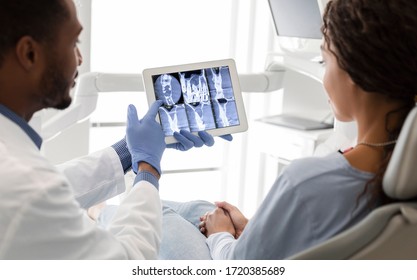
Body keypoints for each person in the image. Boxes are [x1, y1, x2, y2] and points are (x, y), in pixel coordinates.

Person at [156, 0, 417, 259]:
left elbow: (239, 268)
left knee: (158, 213)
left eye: (325, 61)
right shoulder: (402, 182)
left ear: (353, 72)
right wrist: (253, 230)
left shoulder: (306, 182)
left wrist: (219, 235)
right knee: (201, 210)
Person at [0, 0, 215, 259]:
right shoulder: (23, 182)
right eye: (73, 43)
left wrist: (130, 151)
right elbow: (126, 262)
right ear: (29, 53)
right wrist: (148, 169)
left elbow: (47, 191)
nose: (79, 59)